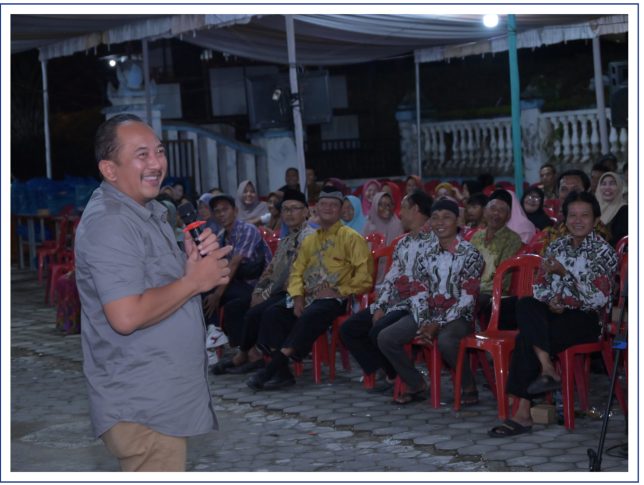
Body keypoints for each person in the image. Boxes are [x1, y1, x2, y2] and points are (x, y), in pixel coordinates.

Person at [75, 114, 232, 471]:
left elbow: (160, 286)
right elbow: (126, 315)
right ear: (109, 169)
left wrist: (192, 267)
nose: (156, 163)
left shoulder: (148, 212)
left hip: (159, 400)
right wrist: (194, 282)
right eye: (141, 154)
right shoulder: (111, 223)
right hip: (142, 407)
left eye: (159, 152)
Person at [488, 191, 617, 437]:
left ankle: (523, 411)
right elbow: (540, 287)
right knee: (525, 304)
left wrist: (564, 275)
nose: (578, 221)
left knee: (527, 337)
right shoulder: (556, 247)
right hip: (555, 313)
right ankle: (547, 367)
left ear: (596, 219)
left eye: (585, 215)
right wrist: (553, 300)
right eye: (572, 215)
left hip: (588, 319)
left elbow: (598, 298)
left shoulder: (604, 252)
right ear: (564, 219)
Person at [246, 186, 373, 391]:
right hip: (306, 296)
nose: (328, 208)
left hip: (336, 298)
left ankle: (270, 370)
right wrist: (297, 297)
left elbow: (365, 278)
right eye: (324, 204)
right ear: (317, 209)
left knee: (311, 314)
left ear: (341, 209)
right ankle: (283, 373)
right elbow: (297, 272)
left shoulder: (352, 238)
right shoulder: (310, 240)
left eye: (333, 205)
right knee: (273, 313)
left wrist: (339, 290)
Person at [377, 198, 484, 405]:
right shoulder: (425, 253)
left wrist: (437, 323)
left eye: (446, 217)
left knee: (446, 341)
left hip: (459, 316)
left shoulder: (470, 254)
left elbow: (467, 298)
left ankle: (469, 385)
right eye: (435, 217)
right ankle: (416, 383)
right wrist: (425, 319)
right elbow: (418, 291)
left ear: (457, 221)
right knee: (386, 337)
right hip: (426, 314)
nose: (440, 222)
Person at [340, 190, 434, 393]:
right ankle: (389, 372)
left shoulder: (435, 241)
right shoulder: (403, 242)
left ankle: (409, 379)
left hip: (415, 306)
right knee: (349, 329)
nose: (400, 213)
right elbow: (391, 277)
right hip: (394, 302)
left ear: (416, 210)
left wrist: (389, 305)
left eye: (404, 208)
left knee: (378, 331)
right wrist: (381, 305)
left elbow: (427, 285)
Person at [213, 189, 315, 375]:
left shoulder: (309, 237)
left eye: (294, 209)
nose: (289, 214)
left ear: (306, 212)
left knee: (268, 313)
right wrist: (259, 292)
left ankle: (279, 371)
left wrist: (265, 294)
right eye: (285, 210)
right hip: (282, 291)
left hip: (302, 293)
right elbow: (271, 270)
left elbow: (295, 275)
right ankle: (248, 355)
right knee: (242, 308)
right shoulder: (287, 238)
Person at [203, 194, 272, 349]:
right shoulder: (222, 236)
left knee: (219, 297)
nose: (221, 214)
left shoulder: (247, 230)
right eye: (217, 211)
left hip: (259, 286)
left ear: (235, 211)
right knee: (204, 290)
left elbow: (234, 264)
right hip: (240, 285)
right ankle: (213, 331)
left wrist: (217, 294)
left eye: (225, 209)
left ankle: (225, 339)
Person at [595, 172, 628, 246]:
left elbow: (621, 240)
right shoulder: (593, 209)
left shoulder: (625, 210)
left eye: (612, 184)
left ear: (619, 187)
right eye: (604, 184)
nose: (607, 187)